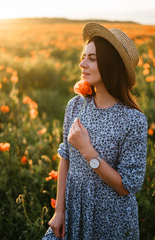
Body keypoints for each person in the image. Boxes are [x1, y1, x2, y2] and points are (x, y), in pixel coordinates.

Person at [42, 22, 148, 240]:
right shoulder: (75, 106)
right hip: (73, 210)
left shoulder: (133, 120)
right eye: (83, 56)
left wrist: (88, 151)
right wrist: (59, 211)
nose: (82, 64)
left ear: (111, 65)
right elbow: (65, 158)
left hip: (110, 220)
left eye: (92, 58)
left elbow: (126, 187)